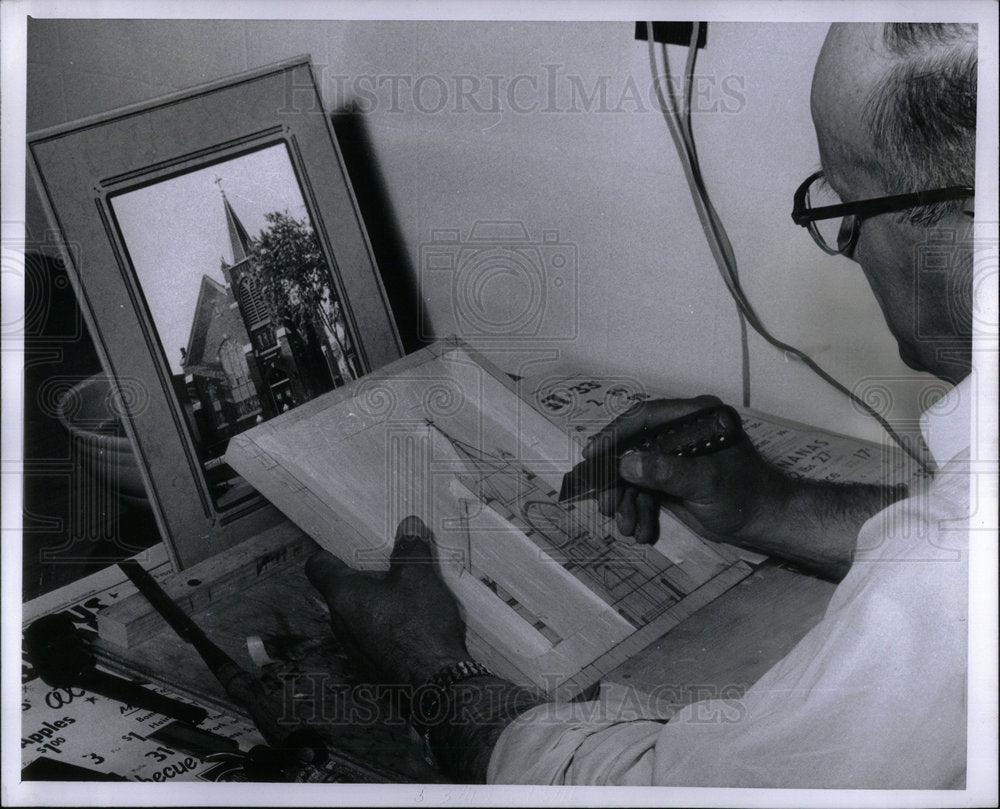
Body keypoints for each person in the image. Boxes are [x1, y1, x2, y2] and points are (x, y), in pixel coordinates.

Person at [305, 22, 977, 787]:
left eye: (850, 207)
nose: (850, 248)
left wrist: (431, 672)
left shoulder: (948, 574)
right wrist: (772, 505)